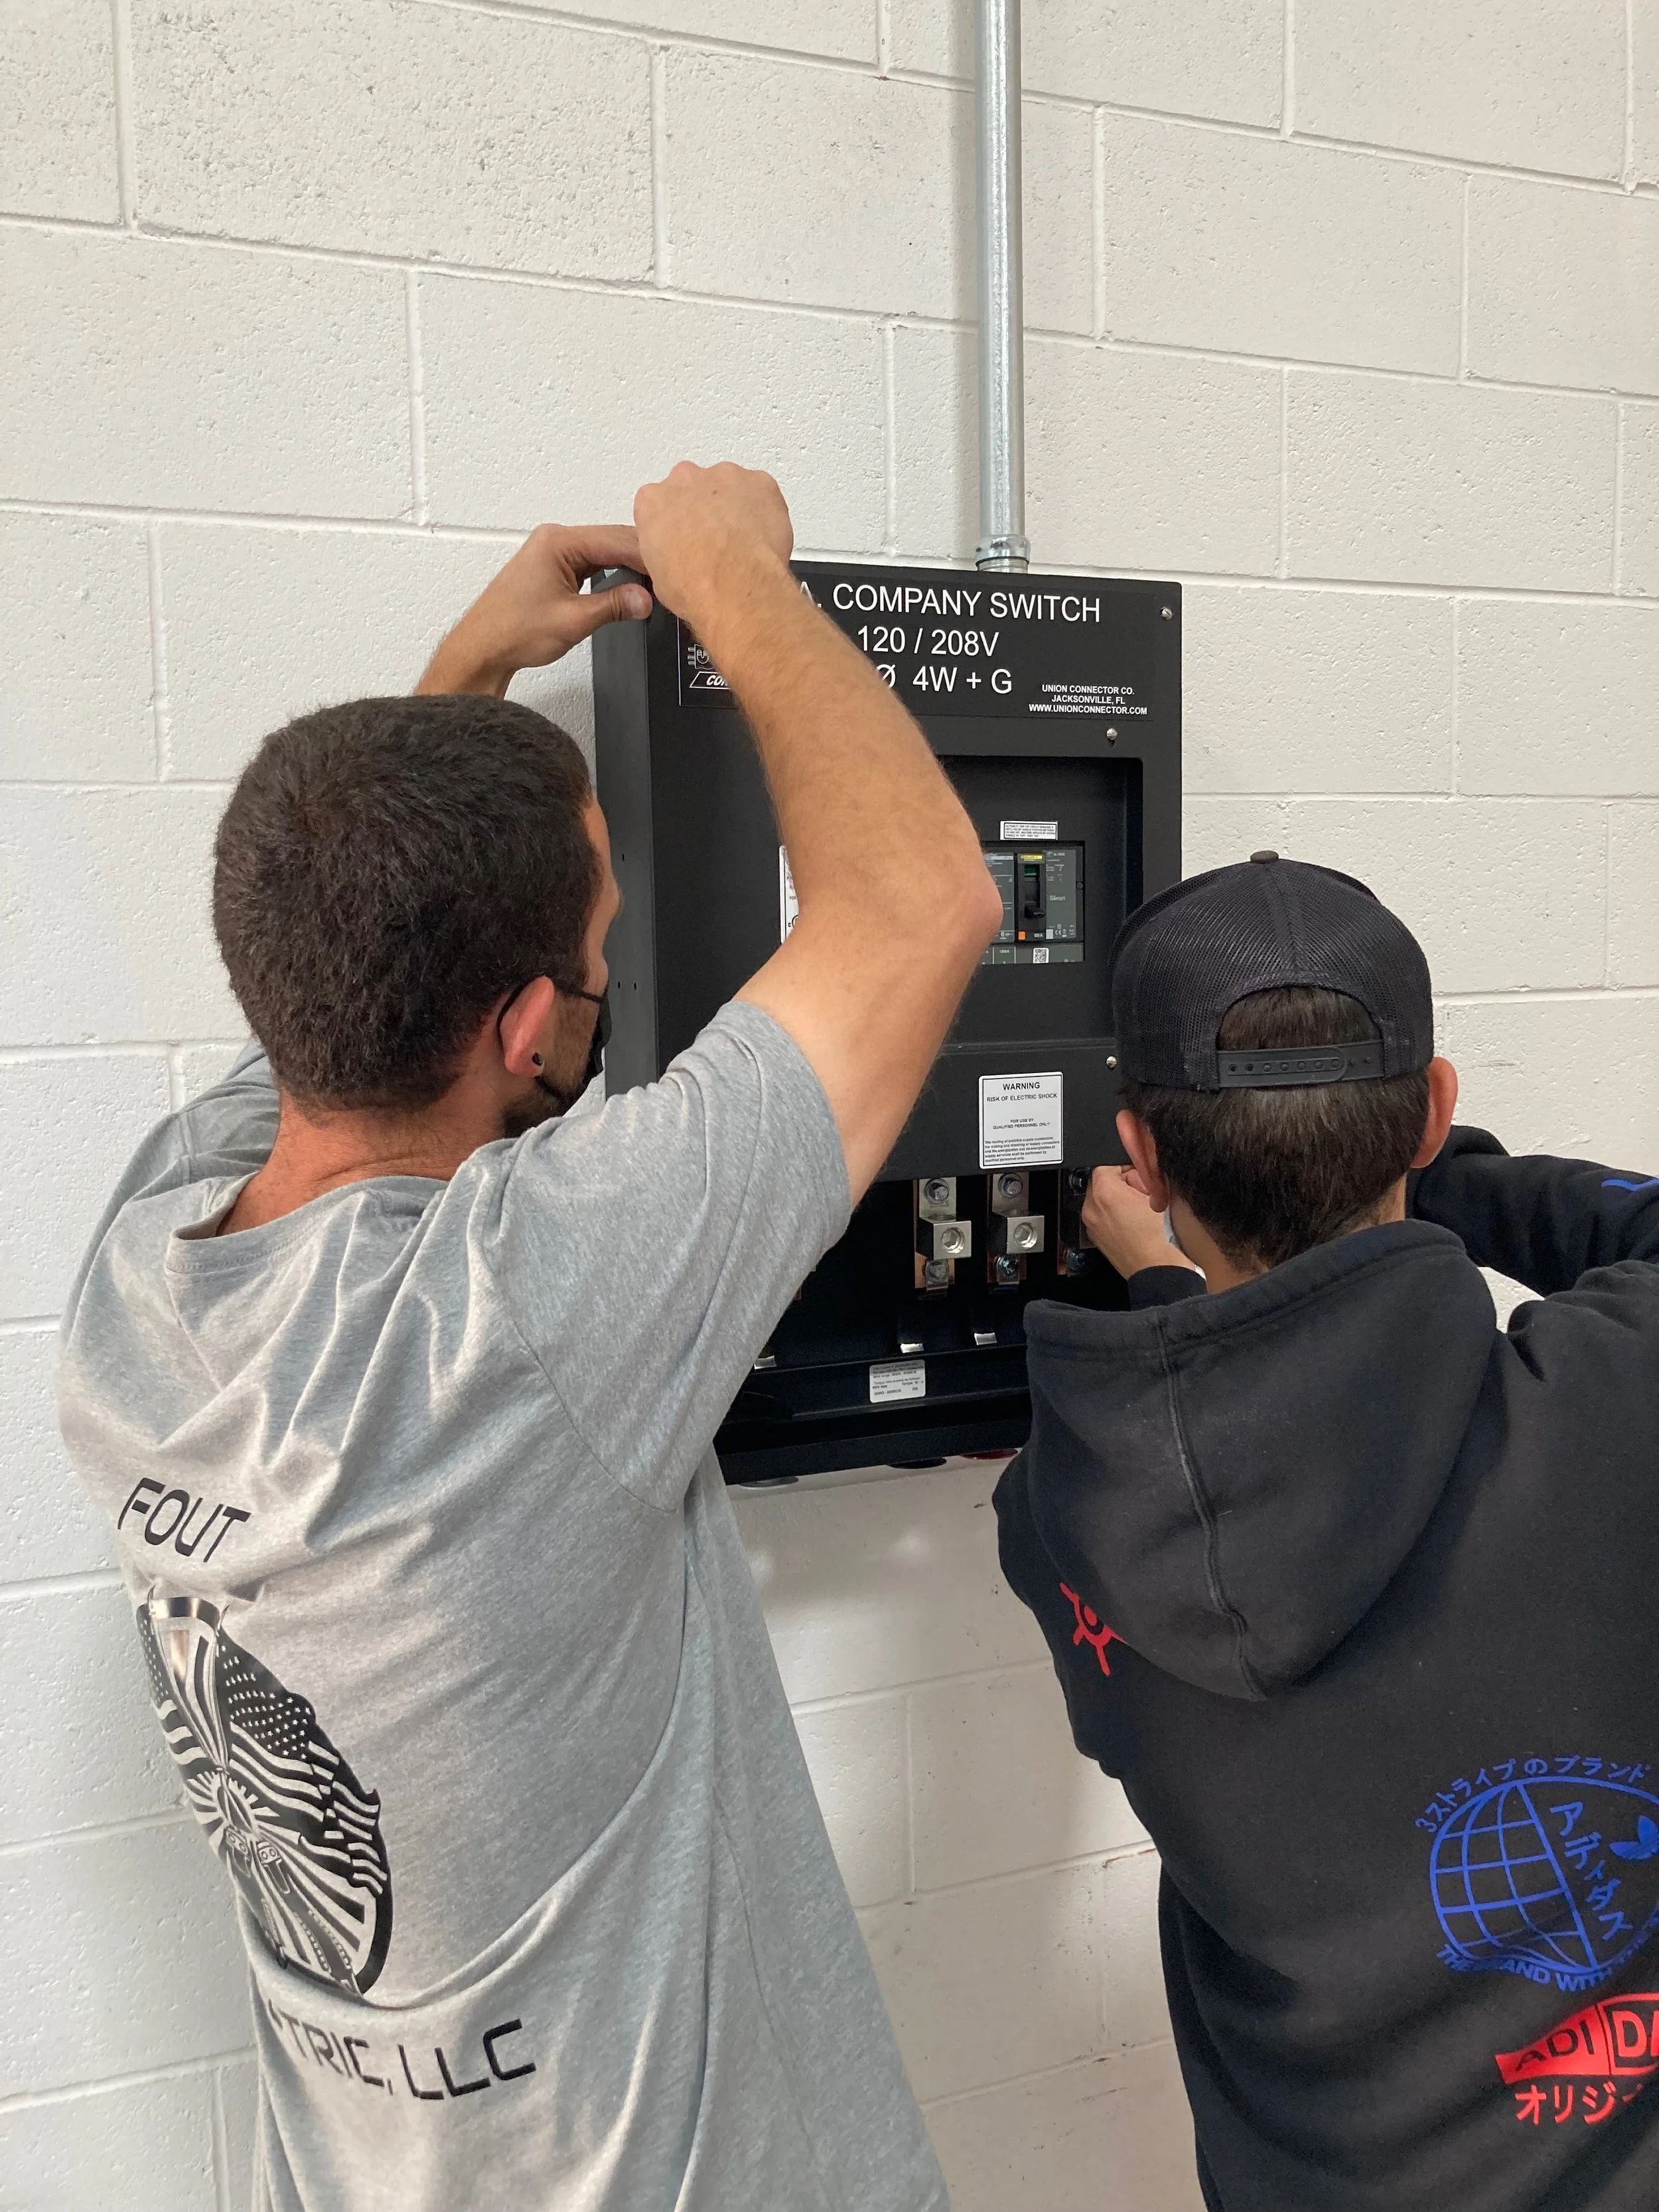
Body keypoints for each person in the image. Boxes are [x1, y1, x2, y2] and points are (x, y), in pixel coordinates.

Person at [58, 463, 1003, 2211]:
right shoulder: (523, 1308)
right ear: (514, 1023)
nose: (600, 991)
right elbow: (923, 901)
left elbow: (358, 952)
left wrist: (464, 679)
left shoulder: (137, 1284)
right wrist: (738, 583)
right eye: (595, 968)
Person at [994, 851, 1659, 2212]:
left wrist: (1172, 1291)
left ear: (1139, 1148)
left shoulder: (1065, 1521)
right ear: (1430, 1109)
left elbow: (1237, 1440)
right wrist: (1446, 1180)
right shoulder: (1610, 1418)